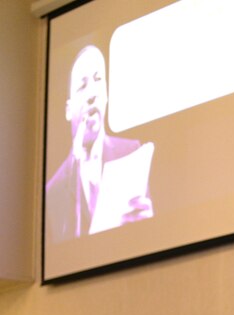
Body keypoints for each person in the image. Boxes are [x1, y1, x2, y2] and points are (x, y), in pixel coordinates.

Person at [46, 45, 154, 242]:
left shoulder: (131, 154)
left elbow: (148, 238)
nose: (91, 94)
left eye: (98, 80)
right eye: (82, 86)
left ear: (106, 95)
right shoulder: (53, 190)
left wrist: (148, 224)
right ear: (68, 110)